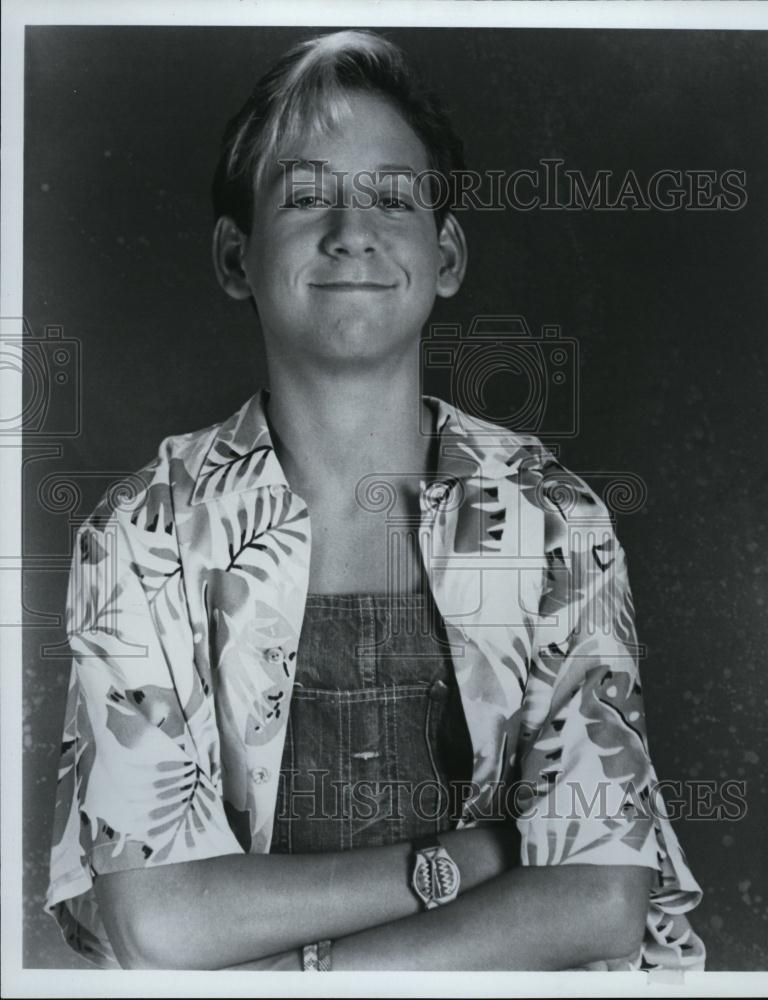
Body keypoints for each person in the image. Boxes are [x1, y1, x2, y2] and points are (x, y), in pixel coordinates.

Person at [45, 29, 705, 971]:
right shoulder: (143, 535)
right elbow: (160, 918)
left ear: (445, 257)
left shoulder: (553, 518)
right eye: (306, 195)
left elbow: (598, 898)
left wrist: (317, 980)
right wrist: (469, 861)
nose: (351, 229)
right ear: (236, 258)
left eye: (392, 198)